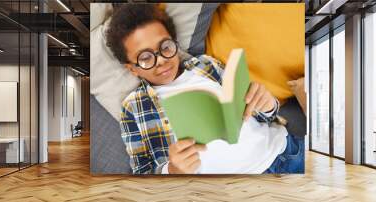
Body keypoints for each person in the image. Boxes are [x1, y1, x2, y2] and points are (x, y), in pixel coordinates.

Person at [106, 4, 304, 174]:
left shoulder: (207, 65)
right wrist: (172, 171)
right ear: (132, 69)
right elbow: (141, 172)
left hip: (285, 152)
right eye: (146, 58)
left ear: (174, 42)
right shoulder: (132, 107)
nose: (161, 61)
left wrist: (268, 105)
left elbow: (264, 116)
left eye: (165, 47)